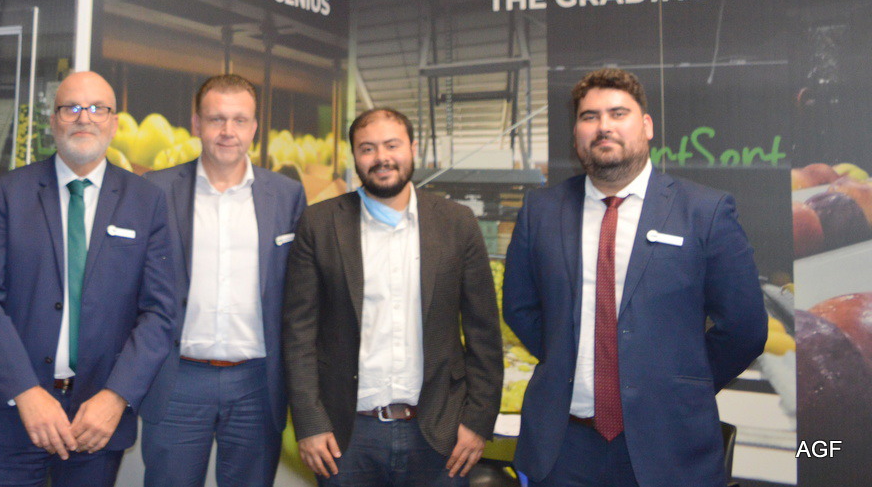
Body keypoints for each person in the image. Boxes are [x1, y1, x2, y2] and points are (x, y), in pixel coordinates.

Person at [503, 67, 768, 487]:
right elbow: (519, 307)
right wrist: (565, 356)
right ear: (576, 134)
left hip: (670, 447)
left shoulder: (705, 211)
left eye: (618, 113)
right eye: (589, 116)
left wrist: (684, 384)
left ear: (646, 126)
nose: (603, 126)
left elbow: (745, 327)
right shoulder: (541, 211)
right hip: (563, 449)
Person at [0, 70, 177, 487]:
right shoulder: (10, 193)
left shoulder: (146, 201)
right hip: (14, 416)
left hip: (96, 422)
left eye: (98, 108)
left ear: (114, 123)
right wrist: (25, 392)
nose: (85, 117)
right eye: (72, 108)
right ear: (53, 120)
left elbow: (160, 313)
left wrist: (116, 397)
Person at [284, 108, 503, 486]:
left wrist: (478, 421)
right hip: (345, 438)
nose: (381, 157)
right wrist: (310, 422)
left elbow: (483, 333)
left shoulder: (456, 222)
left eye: (392, 145)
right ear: (354, 156)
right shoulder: (318, 224)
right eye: (367, 148)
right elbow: (298, 333)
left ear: (413, 149)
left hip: (440, 434)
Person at [140, 74, 307, 487]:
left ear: (254, 127)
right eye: (216, 119)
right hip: (178, 379)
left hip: (257, 384)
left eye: (239, 120)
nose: (228, 131)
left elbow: (302, 294)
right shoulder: (155, 190)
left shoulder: (287, 195)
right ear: (197, 124)